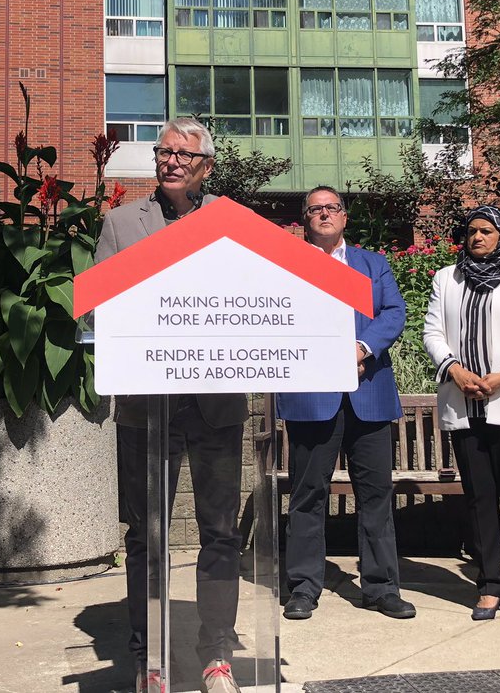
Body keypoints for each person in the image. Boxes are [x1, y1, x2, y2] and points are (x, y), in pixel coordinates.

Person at [95, 117, 247, 693]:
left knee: (220, 533)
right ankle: (150, 658)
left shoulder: (232, 222)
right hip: (146, 406)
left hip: (215, 404)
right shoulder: (120, 222)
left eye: (185, 154)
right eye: (164, 152)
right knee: (145, 535)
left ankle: (216, 655)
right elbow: (100, 304)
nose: (172, 161)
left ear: (206, 165)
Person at [275, 186, 414, 622]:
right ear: (305, 219)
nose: (324, 214)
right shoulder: (287, 266)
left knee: (376, 494)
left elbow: (394, 312)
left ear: (344, 216)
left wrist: (360, 348)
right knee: (307, 495)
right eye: (315, 209)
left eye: (331, 207)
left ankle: (382, 587)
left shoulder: (373, 264)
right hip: (311, 397)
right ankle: (303, 587)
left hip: (368, 393)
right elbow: (277, 318)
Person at [422, 206, 500, 625]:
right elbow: (432, 332)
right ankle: (490, 584)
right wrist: (455, 370)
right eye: (471, 231)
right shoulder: (448, 278)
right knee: (479, 498)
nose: (477, 237)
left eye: (486, 230)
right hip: (464, 402)